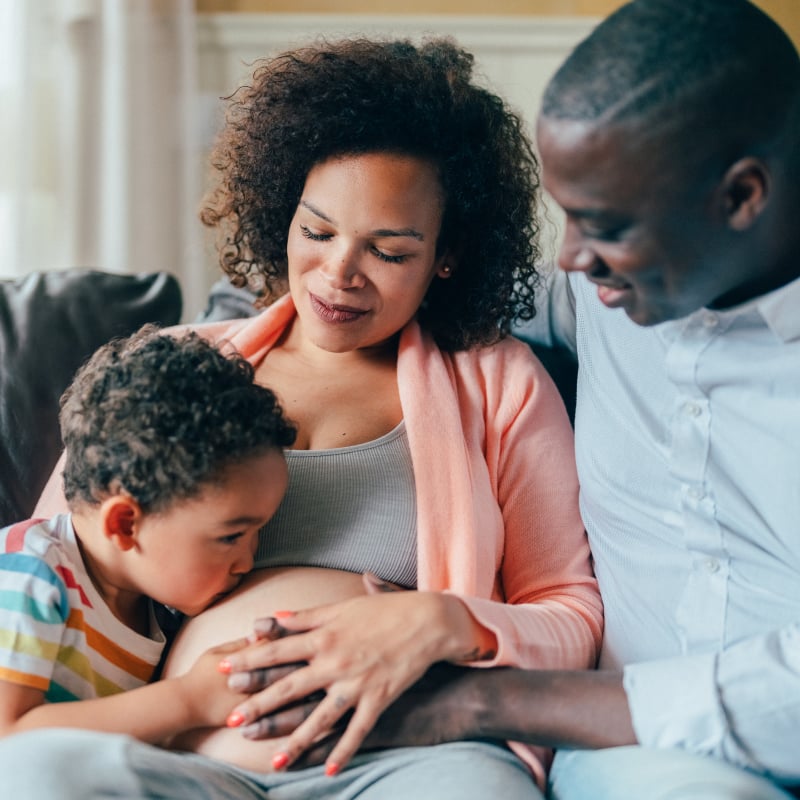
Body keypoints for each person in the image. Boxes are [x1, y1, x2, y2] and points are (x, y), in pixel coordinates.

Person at [0, 36, 602, 800]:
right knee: (31, 775)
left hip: (407, 760)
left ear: (446, 255)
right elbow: (69, 551)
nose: (339, 274)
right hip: (184, 763)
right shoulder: (173, 368)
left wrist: (446, 621)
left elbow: (574, 615)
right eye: (317, 232)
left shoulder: (497, 382)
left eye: (388, 250)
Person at [248, 1, 799, 798]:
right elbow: (404, 280)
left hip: (623, 720)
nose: (572, 257)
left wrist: (479, 698)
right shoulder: (608, 290)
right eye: (565, 216)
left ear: (742, 196)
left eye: (603, 225)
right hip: (630, 761)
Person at [0, 326, 294, 745]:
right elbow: (7, 736)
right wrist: (189, 700)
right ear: (125, 524)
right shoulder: (27, 574)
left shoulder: (156, 605)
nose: (248, 561)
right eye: (232, 537)